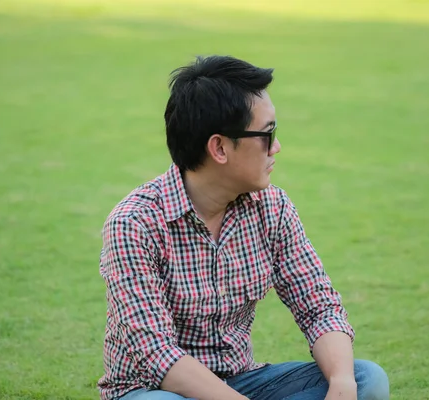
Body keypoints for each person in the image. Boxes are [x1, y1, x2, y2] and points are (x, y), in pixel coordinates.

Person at [98, 55, 389, 400]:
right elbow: (156, 353)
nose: (277, 147)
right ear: (219, 147)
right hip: (155, 389)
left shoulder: (272, 207)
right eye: (268, 134)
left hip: (243, 382)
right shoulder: (135, 223)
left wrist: (342, 383)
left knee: (366, 379)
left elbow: (319, 307)